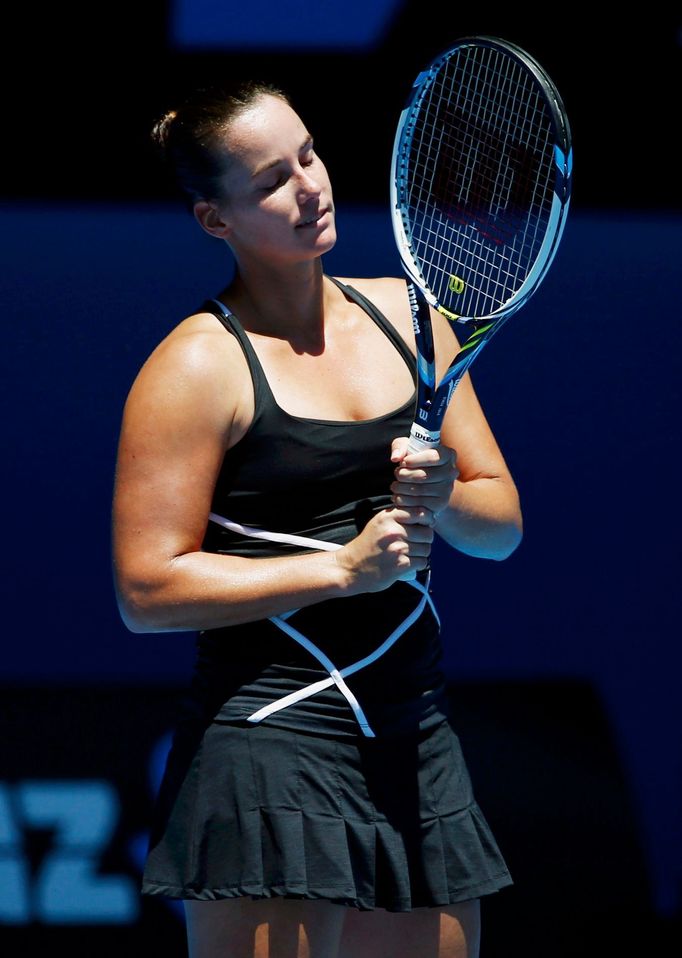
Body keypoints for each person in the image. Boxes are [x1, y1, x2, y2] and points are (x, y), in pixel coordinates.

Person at [112, 79, 523, 958]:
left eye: (308, 154)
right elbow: (146, 590)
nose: (310, 186)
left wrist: (444, 490)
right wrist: (341, 569)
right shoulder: (194, 367)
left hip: (416, 736)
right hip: (266, 742)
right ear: (213, 220)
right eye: (268, 181)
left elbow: (501, 528)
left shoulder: (416, 320)